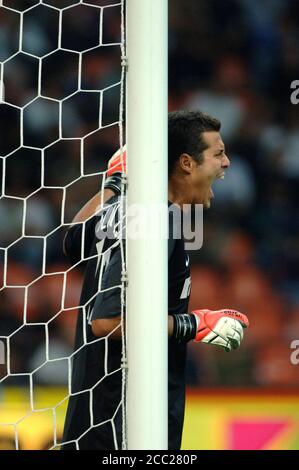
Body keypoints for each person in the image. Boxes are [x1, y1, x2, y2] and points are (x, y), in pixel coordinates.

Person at [62, 110, 249, 450]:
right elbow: (105, 322)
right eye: (218, 154)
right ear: (186, 163)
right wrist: (192, 325)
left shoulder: (130, 209)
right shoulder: (155, 219)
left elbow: (74, 238)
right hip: (123, 424)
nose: (227, 164)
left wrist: (114, 185)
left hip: (98, 420)